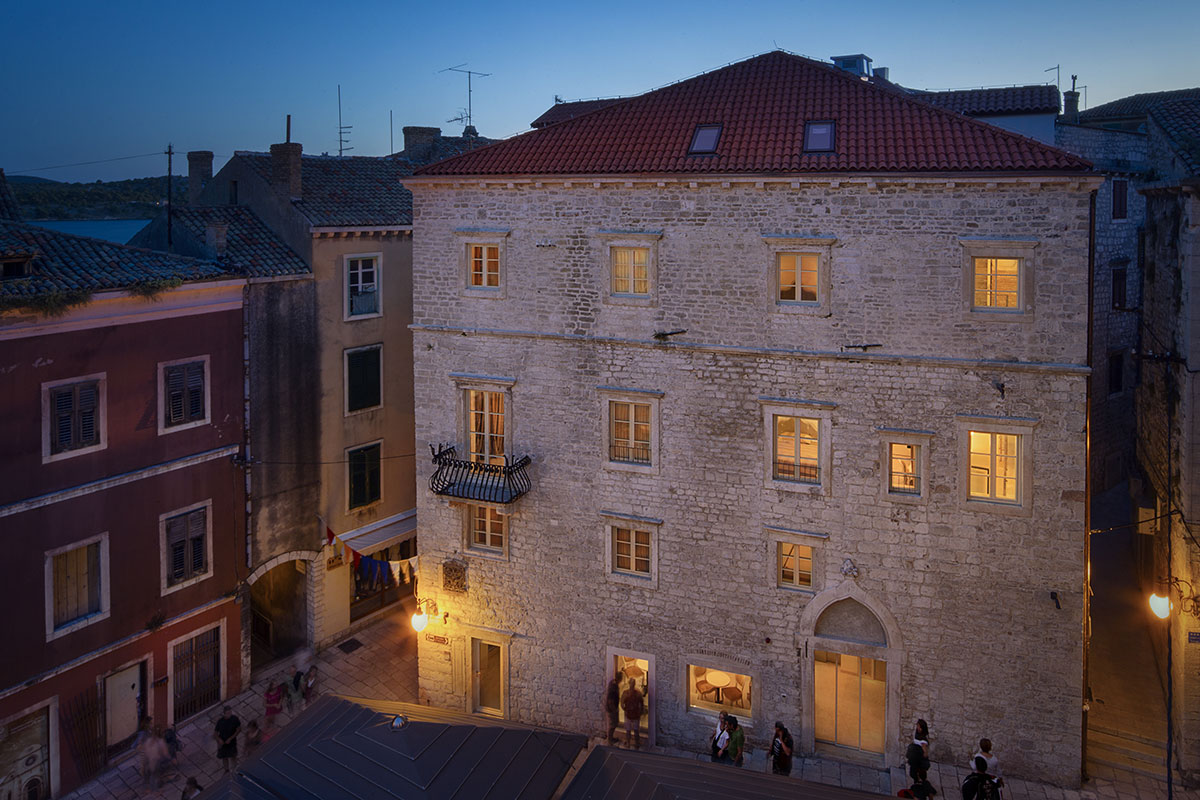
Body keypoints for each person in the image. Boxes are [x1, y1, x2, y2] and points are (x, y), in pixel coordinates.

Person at [213, 706, 242, 773]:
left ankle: (235, 769)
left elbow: (239, 729)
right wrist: (219, 740)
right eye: (228, 713)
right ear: (224, 714)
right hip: (223, 742)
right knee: (224, 757)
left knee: (233, 756)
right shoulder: (220, 721)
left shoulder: (235, 719)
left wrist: (231, 738)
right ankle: (226, 770)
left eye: (230, 712)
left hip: (231, 742)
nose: (229, 714)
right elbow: (215, 733)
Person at [619, 679, 646, 748]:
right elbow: (641, 704)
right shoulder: (638, 693)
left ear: (629, 684)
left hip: (628, 714)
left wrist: (625, 709)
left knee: (628, 730)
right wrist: (640, 712)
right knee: (636, 730)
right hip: (636, 714)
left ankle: (628, 743)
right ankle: (637, 744)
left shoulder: (625, 693)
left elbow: (622, 703)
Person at [603, 676, 621, 744]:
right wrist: (614, 710)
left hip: (611, 710)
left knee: (613, 725)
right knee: (612, 726)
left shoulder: (612, 686)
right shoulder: (612, 693)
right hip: (612, 711)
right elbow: (611, 702)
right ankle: (610, 739)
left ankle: (611, 738)